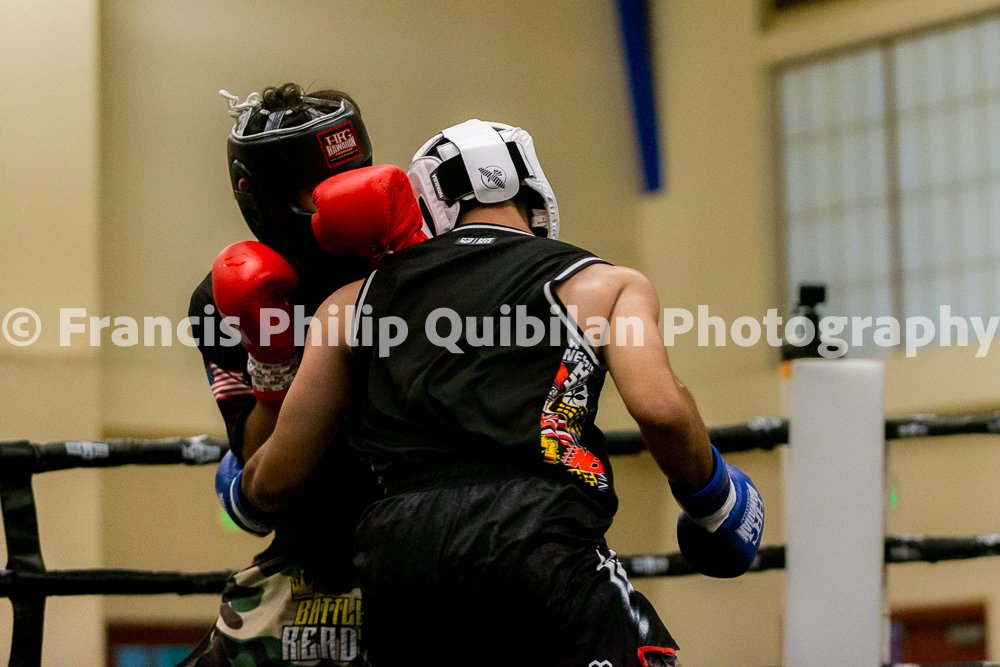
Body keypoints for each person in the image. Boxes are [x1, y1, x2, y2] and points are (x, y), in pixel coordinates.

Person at [233, 119, 765, 666]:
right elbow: (661, 409)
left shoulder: (350, 305)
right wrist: (715, 500)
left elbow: (278, 479)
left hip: (399, 559)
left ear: (428, 201)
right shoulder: (601, 284)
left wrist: (240, 490)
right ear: (533, 189)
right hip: (537, 538)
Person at [180, 83, 424, 666]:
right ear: (261, 194)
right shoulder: (225, 298)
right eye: (319, 187)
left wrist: (411, 262)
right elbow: (260, 468)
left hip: (436, 540)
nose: (343, 195)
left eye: (354, 176)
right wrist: (271, 359)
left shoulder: (417, 260)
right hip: (314, 560)